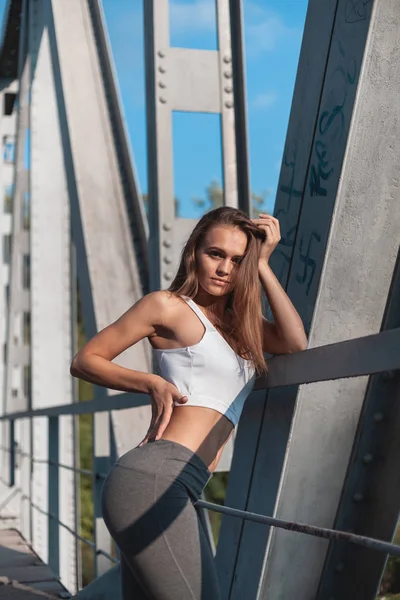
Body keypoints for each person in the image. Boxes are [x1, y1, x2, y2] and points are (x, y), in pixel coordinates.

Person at [70, 206, 307, 600]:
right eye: (215, 254)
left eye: (237, 260)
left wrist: (262, 265)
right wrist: (150, 382)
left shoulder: (240, 328)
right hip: (153, 478)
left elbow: (295, 341)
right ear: (194, 251)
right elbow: (85, 360)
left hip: (185, 484)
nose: (224, 269)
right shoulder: (168, 306)